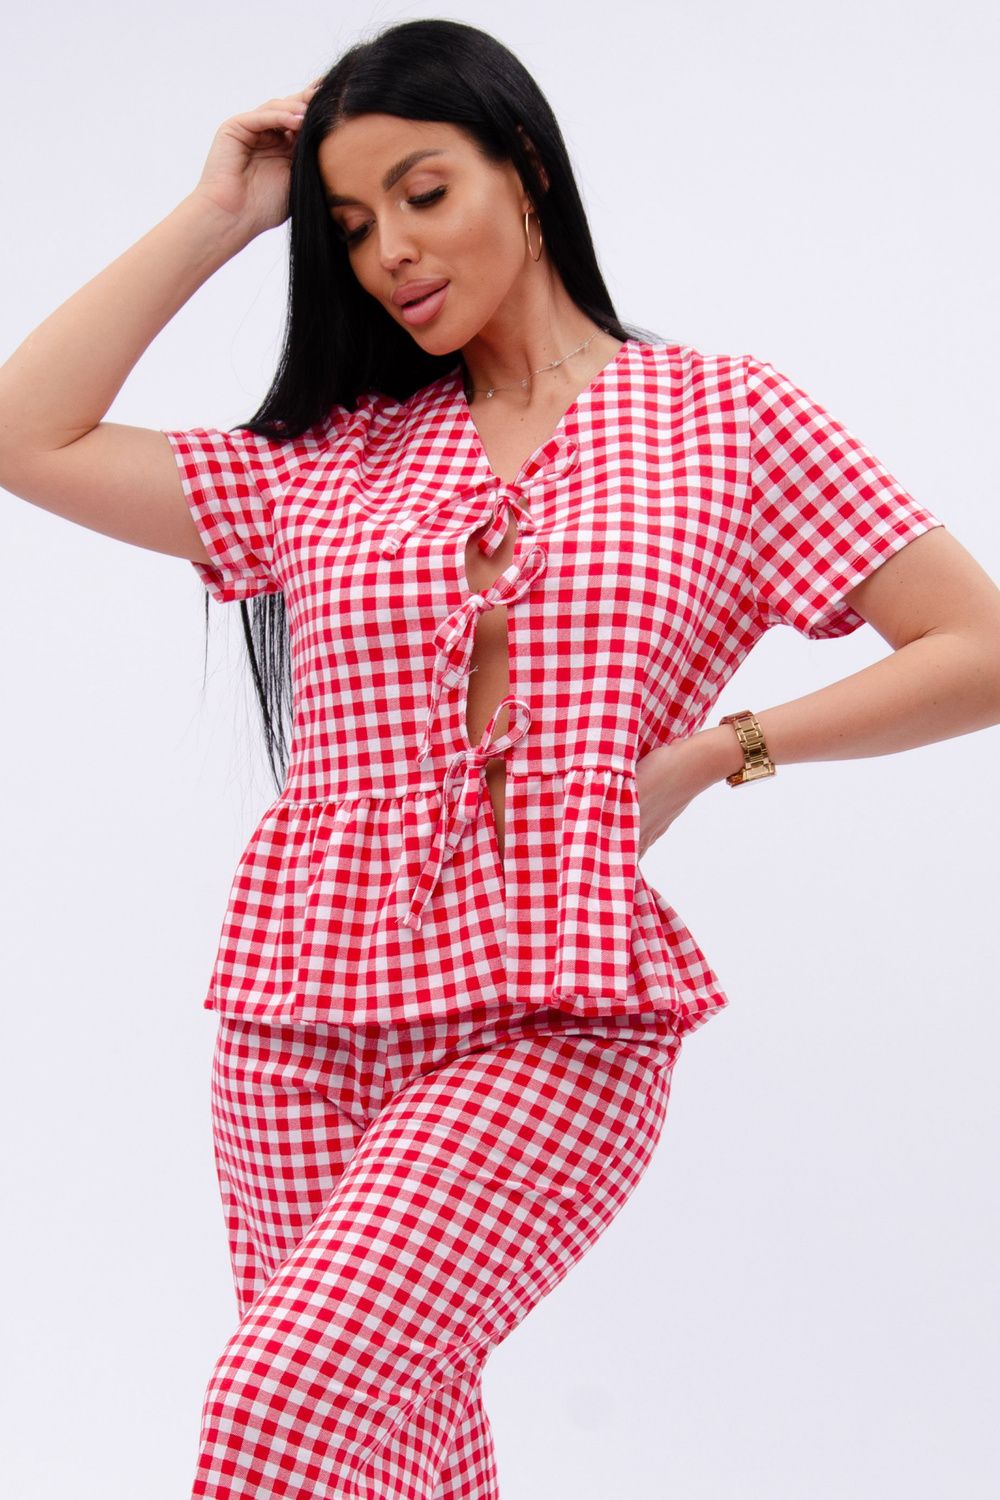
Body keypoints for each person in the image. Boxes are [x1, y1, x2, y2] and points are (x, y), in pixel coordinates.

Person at [1, 16, 998, 1500]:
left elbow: (975, 645)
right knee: (389, 1445)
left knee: (281, 1399)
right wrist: (221, 214)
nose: (390, 252)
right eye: (351, 226)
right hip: (293, 1017)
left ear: (524, 170)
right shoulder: (334, 459)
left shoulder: (727, 420)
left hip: (553, 1009)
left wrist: (716, 753)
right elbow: (27, 433)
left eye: (422, 192)